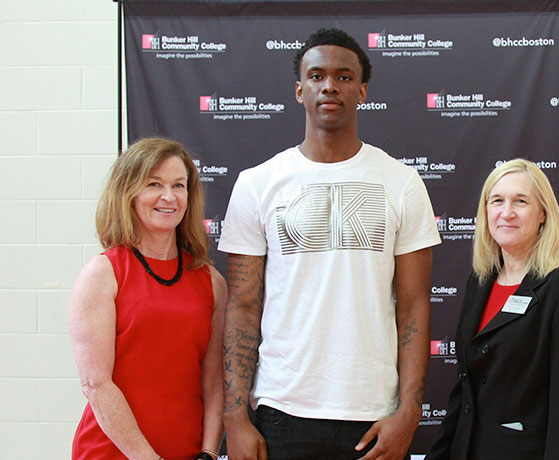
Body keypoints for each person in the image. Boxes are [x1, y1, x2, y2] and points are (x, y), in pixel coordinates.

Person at [219, 28, 440, 460]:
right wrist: (234, 417)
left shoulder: (401, 182)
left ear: (361, 91)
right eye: (317, 76)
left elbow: (414, 303)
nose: (329, 86)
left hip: (373, 412)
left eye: (343, 76)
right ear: (300, 90)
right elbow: (242, 305)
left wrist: (410, 412)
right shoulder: (257, 184)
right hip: (282, 410)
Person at [426, 159, 559, 460]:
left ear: (543, 213)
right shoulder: (479, 282)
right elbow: (465, 389)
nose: (506, 213)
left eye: (520, 202)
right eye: (497, 201)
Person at [69, 138, 226, 460]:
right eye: (154, 184)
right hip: (111, 452)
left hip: (188, 452)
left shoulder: (211, 281)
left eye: (178, 185)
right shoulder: (104, 273)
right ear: (129, 192)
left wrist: (209, 451)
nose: (168, 197)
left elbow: (213, 381)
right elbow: (96, 384)